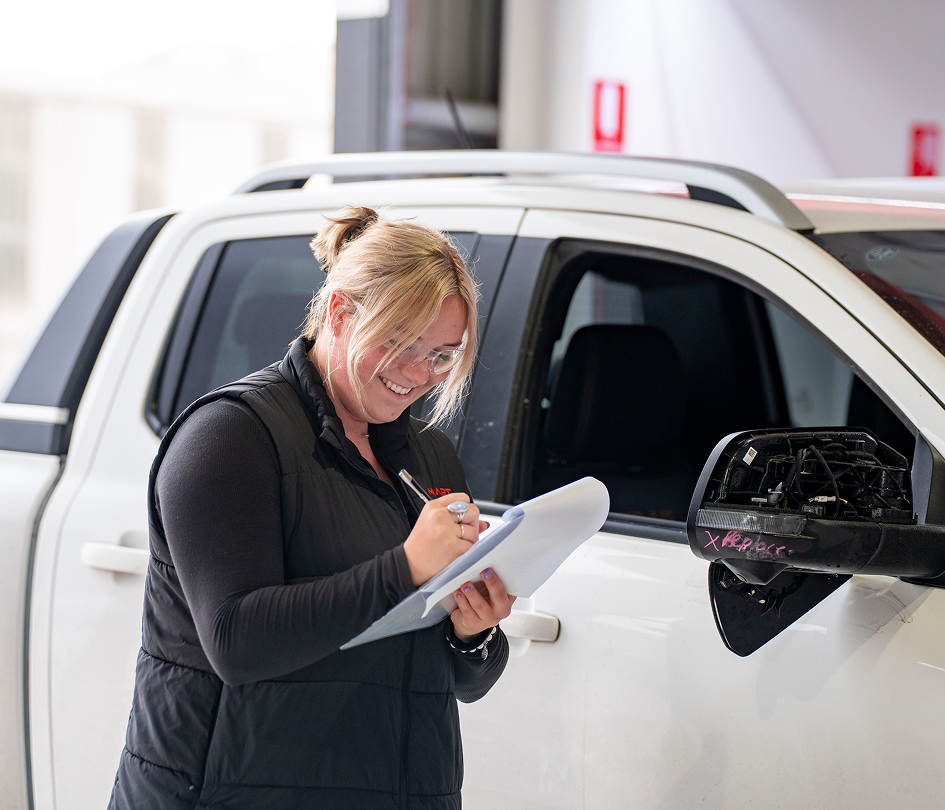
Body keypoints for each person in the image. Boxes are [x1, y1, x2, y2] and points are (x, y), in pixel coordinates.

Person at [109, 206, 515, 809]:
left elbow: (454, 682)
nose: (419, 374)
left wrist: (473, 635)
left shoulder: (428, 459)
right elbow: (235, 641)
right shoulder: (229, 435)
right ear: (339, 312)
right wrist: (404, 568)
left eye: (442, 355)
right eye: (401, 344)